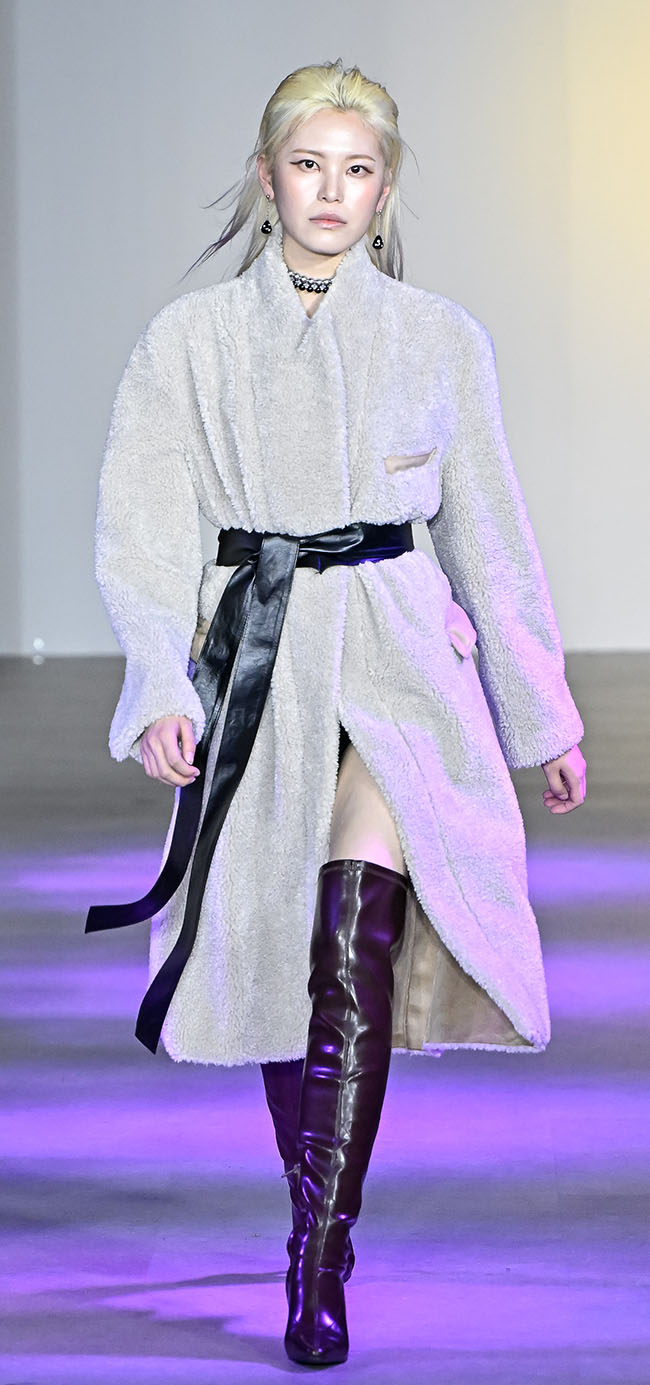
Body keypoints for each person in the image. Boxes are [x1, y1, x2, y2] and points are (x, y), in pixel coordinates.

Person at [87, 58, 587, 1368]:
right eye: (308, 165)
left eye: (356, 170)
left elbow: (489, 533)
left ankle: (317, 1255)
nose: (330, 191)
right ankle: (316, 1211)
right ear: (266, 178)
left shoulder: (440, 339)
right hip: (260, 657)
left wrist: (541, 714)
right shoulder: (188, 344)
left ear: (384, 188)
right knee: (273, 949)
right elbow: (142, 533)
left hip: (402, 659)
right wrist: (158, 684)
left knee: (351, 924)